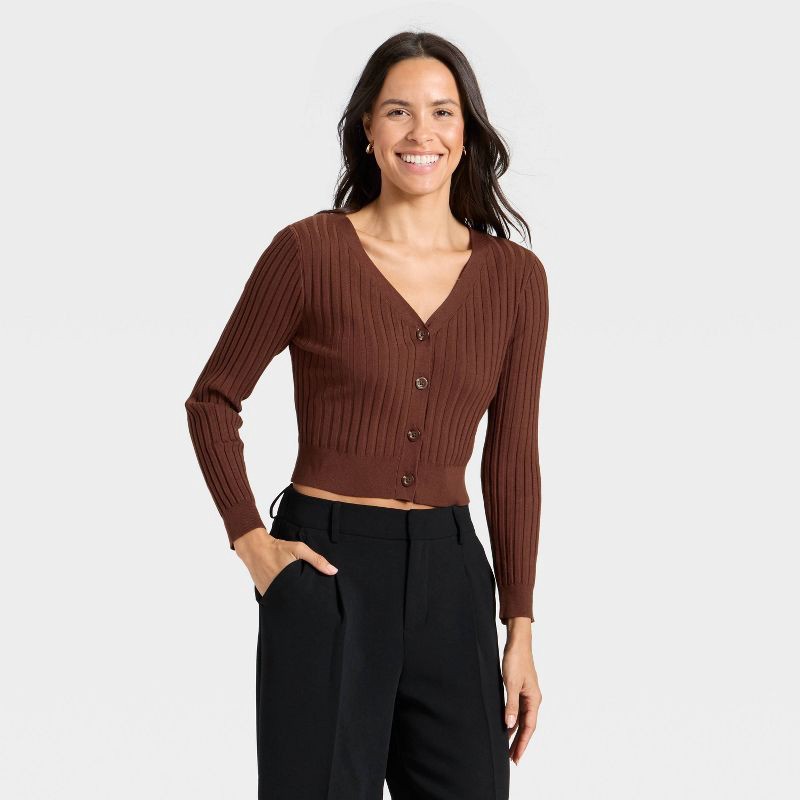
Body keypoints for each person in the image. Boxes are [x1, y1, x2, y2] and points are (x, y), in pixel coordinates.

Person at [184, 30, 549, 800]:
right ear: (367, 130)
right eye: (398, 111)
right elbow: (213, 400)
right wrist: (254, 546)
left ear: (466, 132)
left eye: (442, 112)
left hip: (453, 580)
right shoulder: (309, 253)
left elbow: (512, 455)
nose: (422, 133)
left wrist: (518, 625)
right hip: (326, 569)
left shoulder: (516, 279)